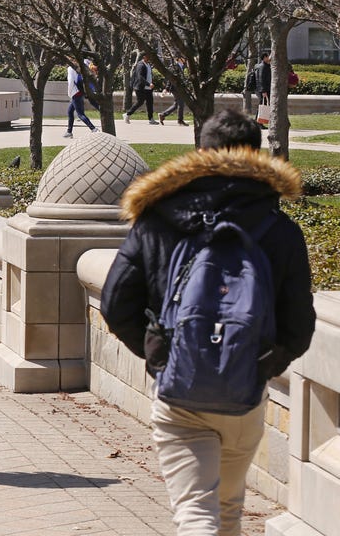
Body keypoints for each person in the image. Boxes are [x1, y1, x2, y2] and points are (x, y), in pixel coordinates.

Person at [101, 109, 314, 536]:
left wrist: (161, 352)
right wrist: (262, 362)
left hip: (179, 396)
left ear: (199, 154)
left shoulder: (158, 219)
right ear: (258, 157)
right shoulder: (280, 228)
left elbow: (115, 302)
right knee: (228, 509)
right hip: (244, 393)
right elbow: (299, 324)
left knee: (196, 515)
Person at [64, 58, 98, 138]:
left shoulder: (70, 68)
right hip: (80, 91)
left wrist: (69, 93)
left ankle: (93, 129)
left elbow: (71, 82)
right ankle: (69, 132)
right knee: (70, 111)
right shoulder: (79, 67)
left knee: (80, 114)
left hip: (75, 93)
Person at [124, 54, 158, 125]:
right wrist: (148, 84)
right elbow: (140, 77)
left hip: (148, 88)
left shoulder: (148, 64)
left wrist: (151, 83)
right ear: (144, 57)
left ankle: (151, 119)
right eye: (148, 56)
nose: (149, 58)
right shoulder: (140, 65)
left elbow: (149, 75)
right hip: (140, 87)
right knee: (140, 102)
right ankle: (127, 114)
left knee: (150, 103)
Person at [158, 57, 188, 126]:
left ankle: (162, 115)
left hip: (178, 88)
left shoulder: (181, 66)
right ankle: (180, 120)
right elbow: (170, 78)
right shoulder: (175, 67)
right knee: (181, 103)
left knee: (176, 104)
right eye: (183, 58)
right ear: (179, 59)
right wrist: (166, 88)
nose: (185, 59)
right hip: (175, 88)